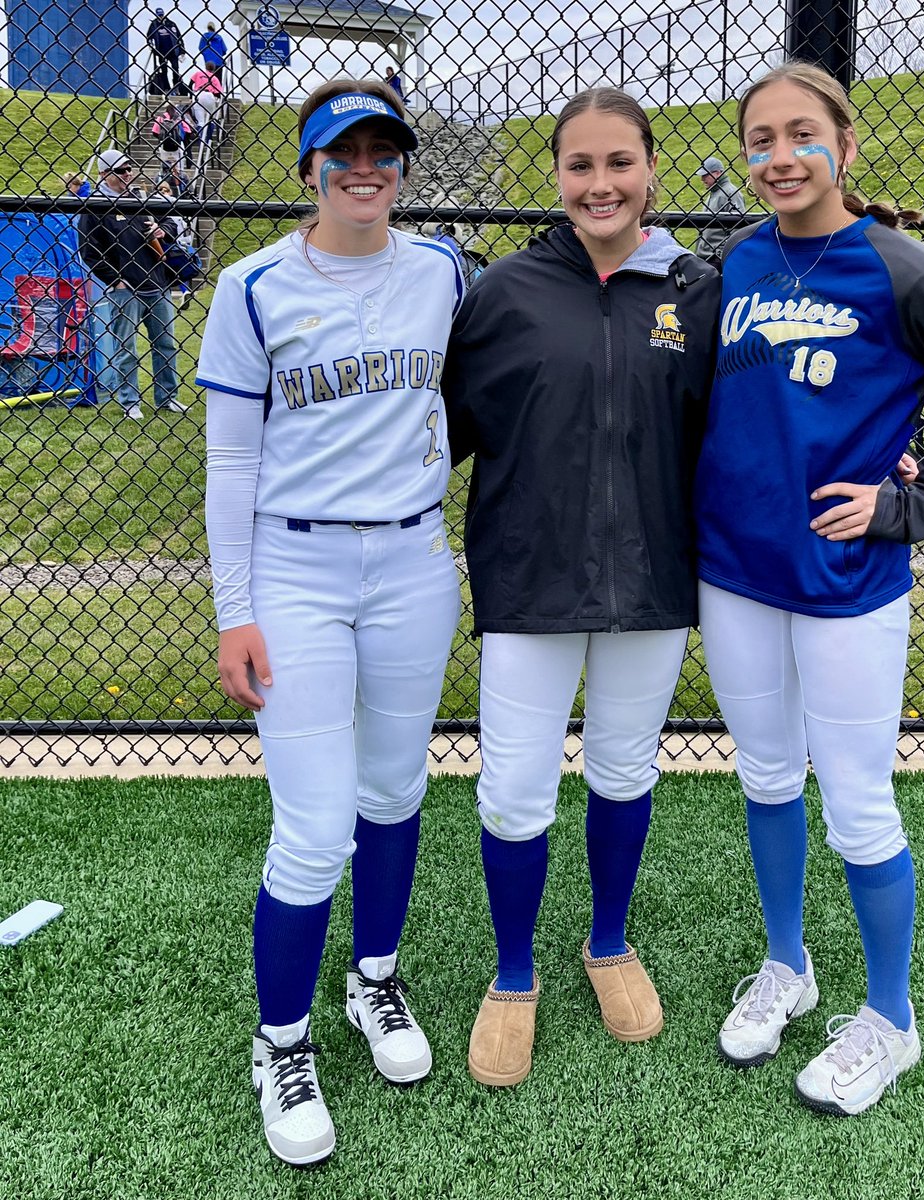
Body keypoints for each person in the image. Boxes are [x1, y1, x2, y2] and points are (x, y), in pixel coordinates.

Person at [694, 62, 924, 1116]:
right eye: (760, 139)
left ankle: (890, 1020)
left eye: (802, 135)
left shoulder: (903, 268)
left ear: (846, 147)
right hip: (735, 572)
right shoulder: (737, 265)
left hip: (847, 578)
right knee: (764, 775)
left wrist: (913, 506)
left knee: (856, 803)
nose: (778, 156)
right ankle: (789, 967)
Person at [197, 80, 464, 1166]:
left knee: (397, 790)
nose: (365, 168)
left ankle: (376, 981)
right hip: (297, 568)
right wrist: (234, 613)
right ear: (306, 165)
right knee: (313, 828)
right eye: (340, 151)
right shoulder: (251, 285)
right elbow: (228, 461)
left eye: (383, 150)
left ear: (404, 163)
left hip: (412, 558)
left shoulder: (444, 270)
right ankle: (283, 1040)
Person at [441, 88, 722, 1088]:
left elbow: (743, 425)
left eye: (619, 163)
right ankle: (513, 974)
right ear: (555, 176)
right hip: (531, 576)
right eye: (580, 166)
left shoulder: (696, 289)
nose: (600, 184)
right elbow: (441, 431)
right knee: (515, 793)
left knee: (623, 769)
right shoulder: (504, 293)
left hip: (651, 578)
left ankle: (608, 943)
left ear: (649, 169)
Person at [78, 148, 183, 419]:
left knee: (166, 344)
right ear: (103, 174)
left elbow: (170, 222)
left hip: (156, 283)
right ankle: (129, 401)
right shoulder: (94, 206)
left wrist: (163, 230)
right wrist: (116, 280)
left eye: (129, 168)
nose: (127, 173)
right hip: (126, 289)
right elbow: (89, 251)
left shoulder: (141, 198)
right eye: (120, 170)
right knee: (126, 348)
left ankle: (167, 397)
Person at [694, 154, 746, 262]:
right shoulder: (713, 194)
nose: (702, 179)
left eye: (705, 175)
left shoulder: (731, 193)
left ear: (718, 173)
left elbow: (738, 227)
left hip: (717, 257)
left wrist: (723, 253)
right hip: (706, 256)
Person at [147, 8, 184, 94]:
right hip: (161, 51)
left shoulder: (171, 24)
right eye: (159, 15)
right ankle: (166, 87)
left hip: (173, 51)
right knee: (164, 70)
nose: (161, 17)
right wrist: (151, 46)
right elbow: (149, 36)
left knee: (175, 68)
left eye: (162, 15)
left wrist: (182, 51)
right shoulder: (154, 24)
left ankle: (176, 86)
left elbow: (179, 37)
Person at [188, 63, 223, 148]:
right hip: (209, 95)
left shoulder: (198, 73)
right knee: (211, 118)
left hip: (198, 94)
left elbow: (190, 84)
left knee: (200, 121)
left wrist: (190, 96)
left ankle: (201, 141)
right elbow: (218, 93)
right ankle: (209, 140)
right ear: (214, 69)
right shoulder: (214, 78)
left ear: (205, 67)